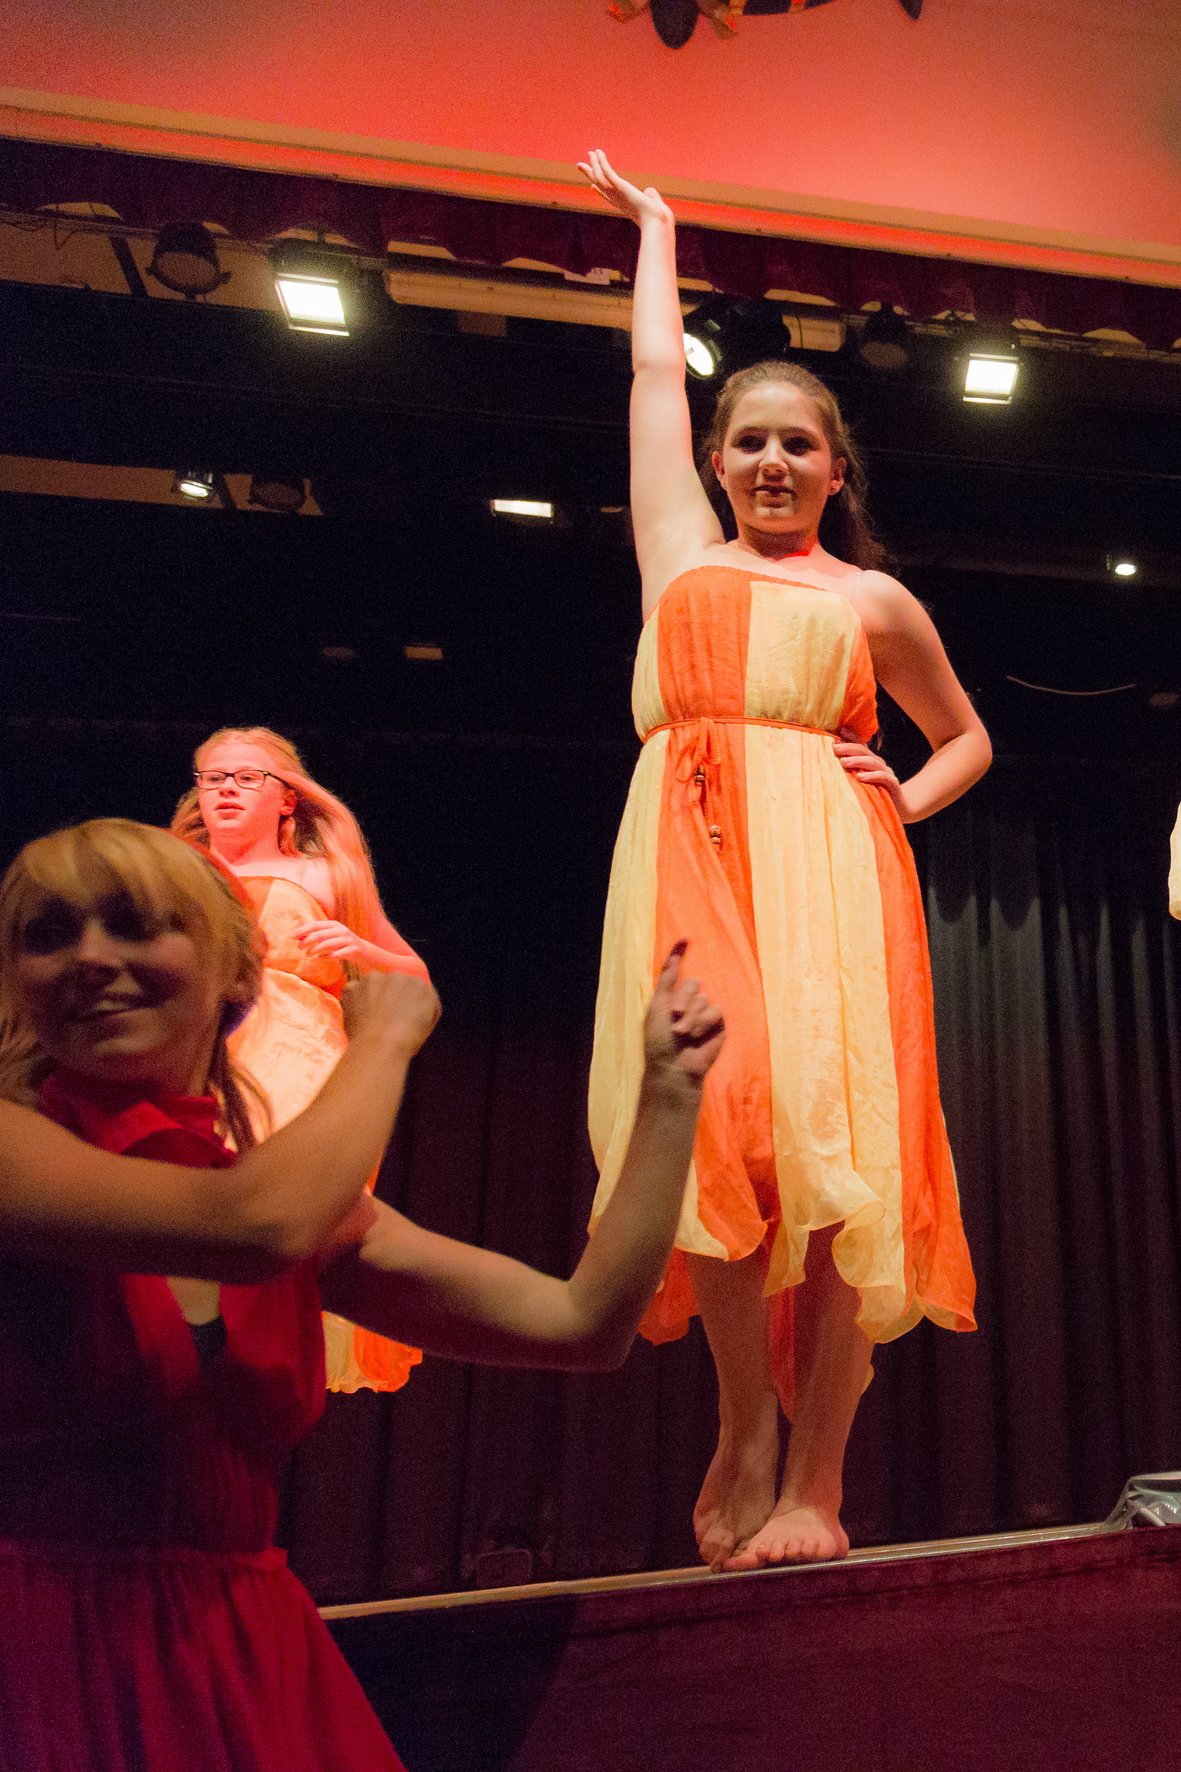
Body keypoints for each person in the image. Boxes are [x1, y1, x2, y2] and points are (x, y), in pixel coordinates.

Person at [0, 817, 722, 1771]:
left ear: (235, 972)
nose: (90, 957)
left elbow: (581, 1324)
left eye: (134, 924)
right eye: (49, 935)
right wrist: (380, 1038)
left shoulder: (281, 1197)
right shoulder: (25, 1151)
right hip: (43, 1656)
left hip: (245, 1654)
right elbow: (256, 1229)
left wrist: (670, 1094)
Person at [579, 149, 990, 1571]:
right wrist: (657, 233)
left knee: (839, 1155)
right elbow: (652, 377)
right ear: (715, 461)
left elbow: (966, 738)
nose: (770, 461)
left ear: (833, 468)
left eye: (797, 445)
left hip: (833, 874)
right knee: (716, 1120)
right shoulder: (678, 557)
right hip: (689, 855)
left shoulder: (870, 598)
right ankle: (742, 1423)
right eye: (747, 440)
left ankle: (816, 1478)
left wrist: (905, 796)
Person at [172, 726, 429, 1393]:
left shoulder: (323, 874)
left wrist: (359, 948)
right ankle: (191, 1357)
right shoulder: (177, 869)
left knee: (274, 1200)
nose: (227, 789)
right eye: (213, 778)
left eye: (246, 777)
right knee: (188, 1201)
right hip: (200, 1048)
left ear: (286, 798)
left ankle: (255, 1363)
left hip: (298, 1049)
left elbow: (415, 979)